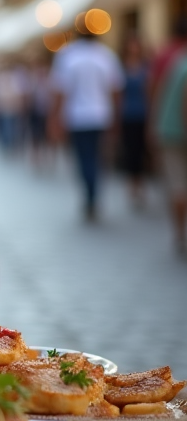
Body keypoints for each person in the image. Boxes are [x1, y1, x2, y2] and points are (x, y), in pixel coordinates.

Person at [48, 27, 124, 221]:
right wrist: (115, 116)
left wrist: (55, 118)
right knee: (96, 158)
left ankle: (90, 195)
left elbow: (60, 91)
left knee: (84, 159)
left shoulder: (68, 55)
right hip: (100, 116)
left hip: (77, 117)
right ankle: (93, 194)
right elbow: (115, 90)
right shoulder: (106, 55)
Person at [153, 50, 187, 254]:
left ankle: (179, 236)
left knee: (177, 185)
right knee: (179, 187)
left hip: (168, 131)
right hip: (177, 134)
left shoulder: (180, 61)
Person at [117, 33, 151, 208]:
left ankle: (141, 184)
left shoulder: (146, 67)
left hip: (143, 115)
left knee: (142, 151)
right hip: (127, 115)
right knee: (131, 151)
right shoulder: (121, 67)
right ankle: (133, 185)